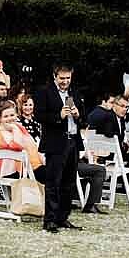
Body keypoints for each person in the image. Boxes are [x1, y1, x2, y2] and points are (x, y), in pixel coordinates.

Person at [33, 64, 84, 233]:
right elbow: (39, 115)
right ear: (55, 76)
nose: (65, 82)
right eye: (62, 78)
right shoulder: (45, 91)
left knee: (68, 183)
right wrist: (58, 116)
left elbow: (83, 114)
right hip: (55, 143)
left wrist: (77, 115)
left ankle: (63, 218)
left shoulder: (73, 92)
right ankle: (50, 220)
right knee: (53, 182)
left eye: (68, 78)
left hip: (73, 141)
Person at [0, 101, 43, 178]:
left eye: (12, 115)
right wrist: (14, 128)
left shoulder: (19, 127)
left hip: (28, 167)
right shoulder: (0, 132)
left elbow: (31, 144)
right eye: (6, 116)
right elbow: (18, 145)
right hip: (12, 171)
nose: (10, 118)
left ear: (16, 115)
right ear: (0, 118)